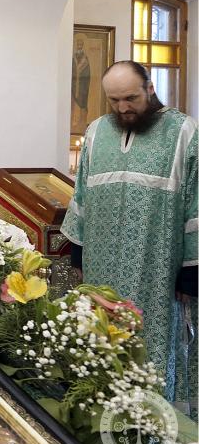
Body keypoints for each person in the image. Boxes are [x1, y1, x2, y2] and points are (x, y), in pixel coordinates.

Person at [61, 60, 196, 406]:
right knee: (100, 341)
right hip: (101, 266)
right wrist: (78, 255)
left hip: (157, 271)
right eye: (114, 100)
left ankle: (152, 417)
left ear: (150, 88)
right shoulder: (96, 132)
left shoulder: (183, 132)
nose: (123, 108)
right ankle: (97, 411)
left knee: (151, 347)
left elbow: (196, 205)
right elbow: (81, 196)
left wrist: (190, 272)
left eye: (131, 98)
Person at [71, 36, 91, 132]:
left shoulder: (85, 58)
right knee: (73, 102)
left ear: (82, 45)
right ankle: (73, 122)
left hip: (82, 86)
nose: (79, 46)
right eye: (78, 44)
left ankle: (81, 123)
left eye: (80, 44)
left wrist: (81, 75)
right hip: (74, 85)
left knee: (82, 102)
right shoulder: (73, 57)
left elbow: (88, 73)